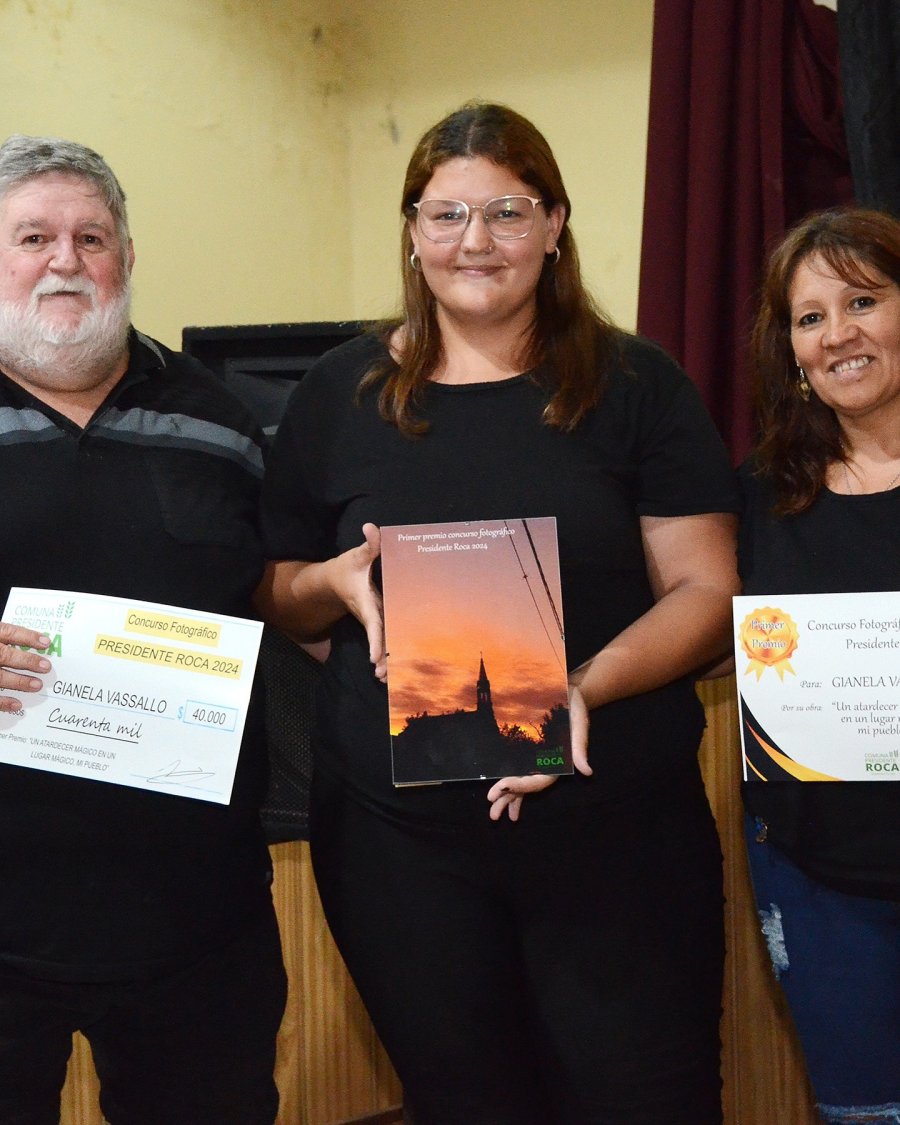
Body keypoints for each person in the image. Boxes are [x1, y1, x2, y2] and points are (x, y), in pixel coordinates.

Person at [258, 102, 740, 1125]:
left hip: (615, 836)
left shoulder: (639, 386)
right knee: (464, 1103)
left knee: (646, 1099)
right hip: (401, 849)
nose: (475, 242)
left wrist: (580, 686)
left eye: (509, 212)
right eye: (445, 215)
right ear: (412, 230)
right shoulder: (339, 393)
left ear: (557, 224)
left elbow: (707, 592)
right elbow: (276, 583)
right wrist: (333, 585)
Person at [0, 135, 285, 1124]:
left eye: (92, 236)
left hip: (197, 921)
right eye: (31, 236)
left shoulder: (227, 424)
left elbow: (282, 596)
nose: (64, 259)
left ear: (127, 255)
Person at [739, 208, 900, 1124]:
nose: (838, 333)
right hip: (820, 876)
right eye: (809, 317)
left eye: (863, 300)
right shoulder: (760, 495)